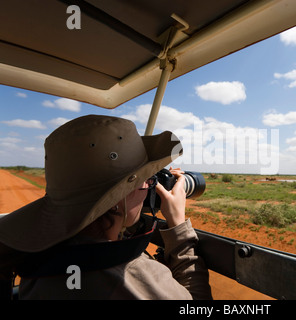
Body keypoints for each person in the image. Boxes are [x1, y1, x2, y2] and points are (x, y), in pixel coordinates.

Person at [0, 115, 212, 300]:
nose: (150, 188)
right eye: (147, 180)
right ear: (118, 198)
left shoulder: (39, 252)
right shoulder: (127, 273)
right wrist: (178, 229)